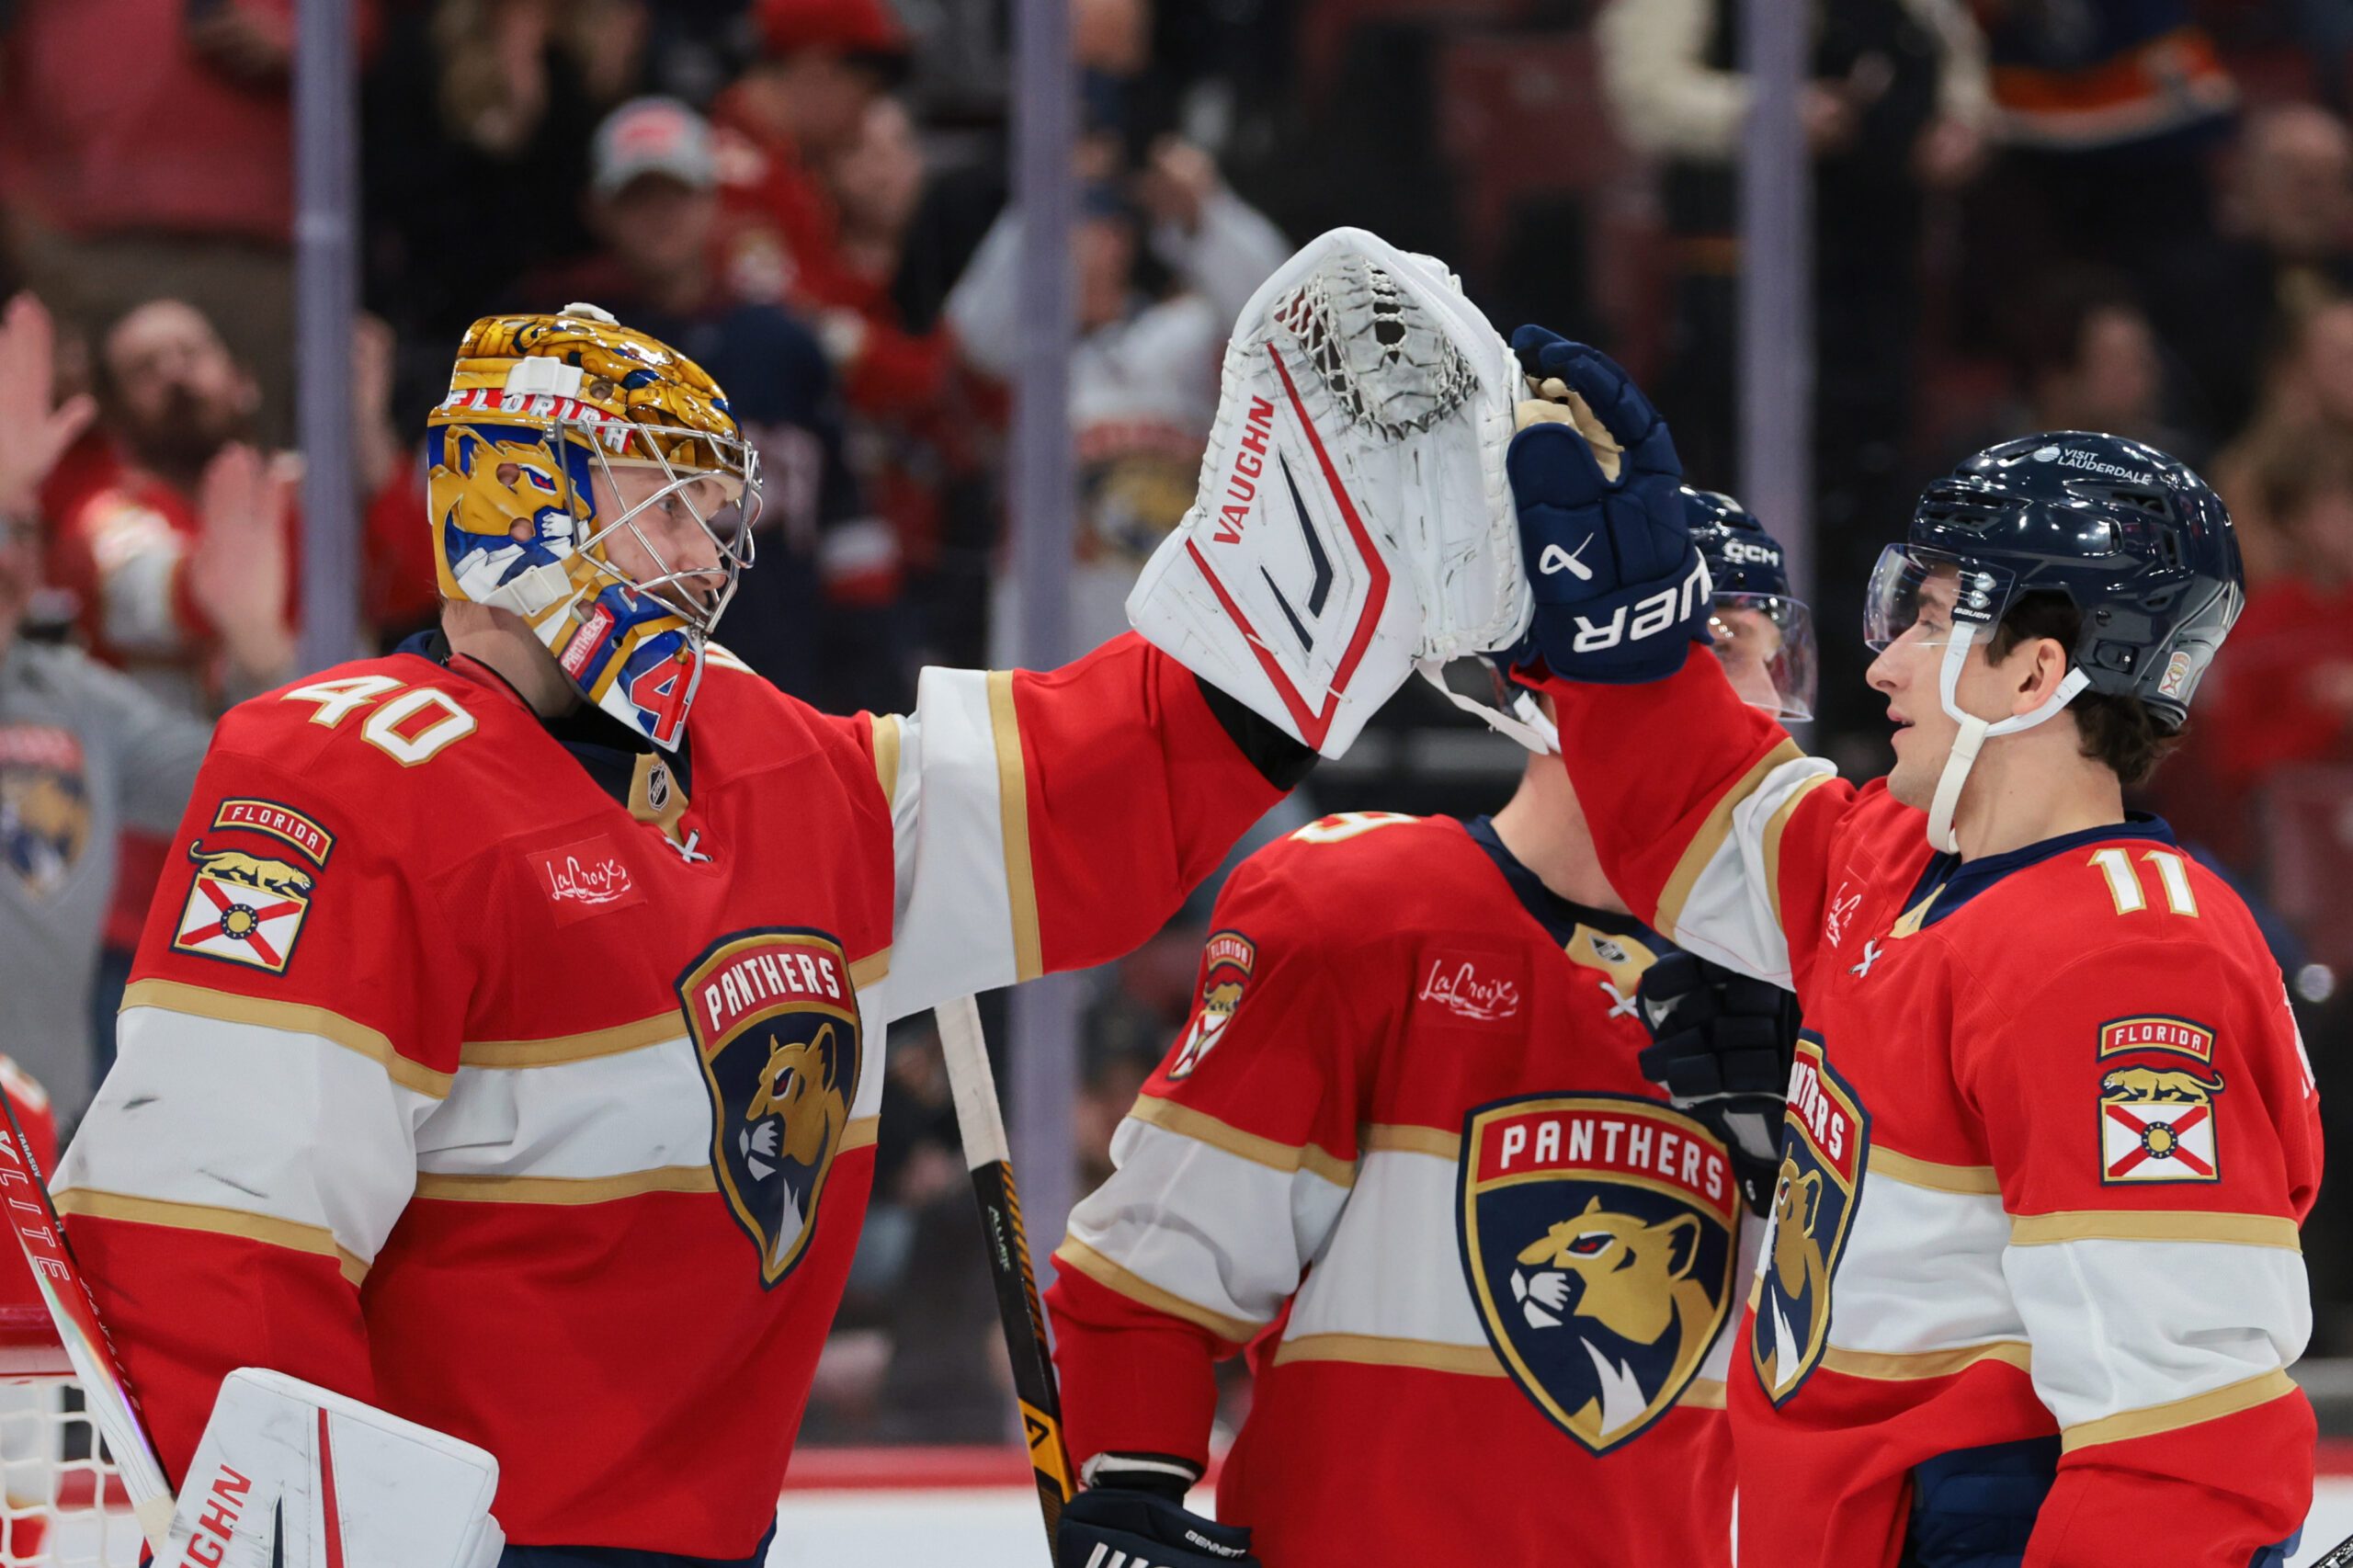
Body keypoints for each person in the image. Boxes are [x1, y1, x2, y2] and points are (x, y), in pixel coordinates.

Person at [49, 302, 1324, 1568]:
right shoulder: (347, 773)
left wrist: (1304, 569)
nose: (706, 559)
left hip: (711, 1538)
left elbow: (1082, 785)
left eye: (717, 517)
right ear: (519, 500)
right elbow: (206, 1235)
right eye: (660, 506)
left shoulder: (760, 744)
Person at [1499, 327, 2318, 1565]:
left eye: (1929, 618)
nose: (1881, 656)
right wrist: (1626, 622)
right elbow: (1694, 820)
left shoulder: (2128, 961)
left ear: (2039, 666)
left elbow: (2183, 1434)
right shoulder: (1901, 852)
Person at [1044, 493, 1813, 1568]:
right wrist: (1131, 1491)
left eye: (1775, 656)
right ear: (1553, 675)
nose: (1762, 696)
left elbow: (1862, 1371)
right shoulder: (1358, 912)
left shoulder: (1817, 979)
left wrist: (1802, 1189)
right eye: (1720, 645)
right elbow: (1147, 1284)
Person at [0, 294, 214, 1122]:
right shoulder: (112, 511)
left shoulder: (76, 698)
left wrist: (259, 642)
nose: (8, 552)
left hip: (44, 1147)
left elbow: (253, 776)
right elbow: (151, 591)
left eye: (21, 527)